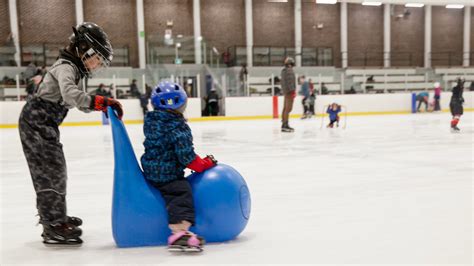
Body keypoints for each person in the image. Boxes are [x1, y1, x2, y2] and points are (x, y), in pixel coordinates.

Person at [18, 22, 123, 246]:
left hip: (43, 124)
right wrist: (99, 101)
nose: (97, 65)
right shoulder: (66, 67)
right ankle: (52, 225)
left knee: (56, 169)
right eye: (97, 58)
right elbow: (71, 94)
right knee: (49, 171)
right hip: (36, 122)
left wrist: (100, 105)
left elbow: (75, 101)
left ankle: (57, 216)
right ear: (85, 50)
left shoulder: (73, 68)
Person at [140, 81, 215, 252]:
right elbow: (187, 157)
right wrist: (204, 164)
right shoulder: (177, 127)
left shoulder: (152, 121)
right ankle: (179, 233)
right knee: (181, 191)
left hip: (151, 168)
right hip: (166, 173)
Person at [280, 57, 296, 132]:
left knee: (285, 108)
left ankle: (284, 123)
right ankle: (285, 125)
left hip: (286, 92)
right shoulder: (289, 71)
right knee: (288, 108)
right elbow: (290, 82)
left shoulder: (284, 71)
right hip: (289, 92)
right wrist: (292, 91)